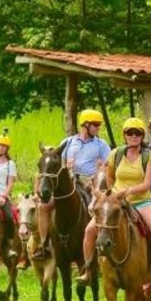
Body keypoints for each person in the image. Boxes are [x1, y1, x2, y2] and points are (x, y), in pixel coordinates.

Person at [77, 117, 151, 285]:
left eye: (137, 133)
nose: (133, 136)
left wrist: (127, 191)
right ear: (125, 135)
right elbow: (109, 177)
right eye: (130, 132)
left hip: (142, 201)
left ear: (142, 136)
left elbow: (148, 184)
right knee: (90, 230)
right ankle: (88, 269)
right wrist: (111, 194)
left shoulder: (149, 157)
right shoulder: (116, 154)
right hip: (117, 201)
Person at [32, 109, 111, 260]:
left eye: (99, 125)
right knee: (43, 207)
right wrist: (65, 165)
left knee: (96, 209)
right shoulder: (68, 142)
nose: (98, 128)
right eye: (95, 124)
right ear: (85, 125)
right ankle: (45, 246)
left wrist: (98, 172)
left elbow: (109, 166)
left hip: (90, 183)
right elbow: (55, 162)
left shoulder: (101, 144)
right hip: (69, 182)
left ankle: (100, 246)